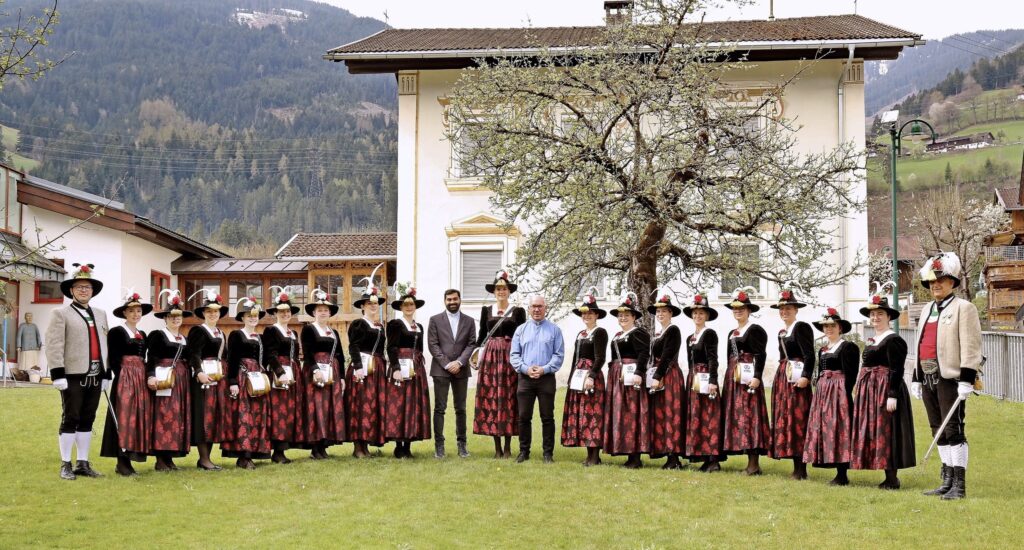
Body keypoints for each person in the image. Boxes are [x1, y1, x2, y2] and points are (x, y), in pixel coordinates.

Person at [914, 252, 982, 500]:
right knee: (938, 429)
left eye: (940, 280)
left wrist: (966, 379)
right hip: (928, 377)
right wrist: (916, 377)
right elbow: (920, 344)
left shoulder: (964, 308)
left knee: (953, 429)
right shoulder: (926, 310)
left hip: (950, 378)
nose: (936, 285)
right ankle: (946, 480)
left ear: (952, 282)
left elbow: (971, 347)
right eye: (932, 281)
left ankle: (959, 485)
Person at [46, 263, 109, 480]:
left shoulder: (100, 314)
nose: (83, 290)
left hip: (95, 375)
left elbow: (104, 346)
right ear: (71, 290)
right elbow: (54, 345)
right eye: (79, 287)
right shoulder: (60, 313)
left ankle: (83, 462)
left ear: (92, 291)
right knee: (71, 417)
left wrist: (106, 374)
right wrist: (57, 374)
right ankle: (66, 463)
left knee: (88, 418)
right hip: (72, 375)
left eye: (87, 287)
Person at [852, 291, 915, 489]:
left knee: (888, 430)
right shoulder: (873, 339)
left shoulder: (894, 340)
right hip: (870, 391)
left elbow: (897, 369)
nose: (875, 317)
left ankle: (892, 478)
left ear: (889, 317)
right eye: (872, 314)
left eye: (880, 314)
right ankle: (882, 470)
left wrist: (892, 395)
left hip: (885, 389)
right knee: (876, 429)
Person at [472, 270, 527, 459]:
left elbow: (522, 337)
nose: (501, 291)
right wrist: (475, 355)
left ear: (509, 291)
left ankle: (508, 447)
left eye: (504, 288)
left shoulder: (518, 311)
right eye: (498, 289)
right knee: (492, 398)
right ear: (494, 292)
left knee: (509, 398)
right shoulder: (486, 310)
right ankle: (497, 448)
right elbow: (481, 335)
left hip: (510, 358)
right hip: (490, 359)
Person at [803, 307, 859, 486]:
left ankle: (842, 474)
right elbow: (820, 372)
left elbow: (851, 375)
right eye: (826, 326)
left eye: (832, 326)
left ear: (840, 328)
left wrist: (843, 395)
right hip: (823, 393)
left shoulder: (848, 347)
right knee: (826, 429)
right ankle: (832, 465)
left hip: (838, 394)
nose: (829, 329)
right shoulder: (822, 350)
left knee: (840, 429)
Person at [100, 291, 153, 476]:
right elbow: (114, 358)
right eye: (131, 311)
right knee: (124, 417)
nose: (135, 314)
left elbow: (144, 357)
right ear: (124, 313)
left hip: (140, 378)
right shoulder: (117, 332)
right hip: (125, 379)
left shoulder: (142, 334)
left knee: (137, 417)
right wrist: (123, 376)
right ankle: (121, 462)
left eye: (138, 311)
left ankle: (131, 456)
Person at [721, 288, 771, 475]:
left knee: (751, 417)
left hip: (749, 378)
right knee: (738, 417)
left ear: (749, 310)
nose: (738, 311)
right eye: (735, 309)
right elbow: (729, 357)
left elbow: (761, 355)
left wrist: (757, 376)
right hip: (734, 378)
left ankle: (754, 464)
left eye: (742, 308)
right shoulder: (732, 332)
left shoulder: (755, 330)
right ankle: (746, 458)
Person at [509, 294, 564, 463]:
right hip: (525, 378)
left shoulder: (554, 330)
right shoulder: (521, 330)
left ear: (545, 308)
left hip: (546, 378)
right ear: (529, 309)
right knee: (524, 417)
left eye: (540, 306)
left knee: (547, 417)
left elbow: (558, 355)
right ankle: (524, 451)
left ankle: (548, 453)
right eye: (534, 306)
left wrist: (544, 369)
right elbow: (514, 355)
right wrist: (526, 369)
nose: (537, 309)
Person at [768, 288, 815, 480]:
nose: (784, 312)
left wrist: (806, 376)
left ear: (796, 310)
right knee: (787, 419)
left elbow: (809, 355)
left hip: (797, 379)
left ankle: (801, 468)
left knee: (798, 419)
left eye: (788, 308)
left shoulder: (801, 327)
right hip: (784, 378)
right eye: (781, 309)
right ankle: (795, 465)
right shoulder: (782, 332)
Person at [602, 293, 650, 468]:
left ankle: (635, 456)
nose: (623, 318)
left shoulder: (639, 333)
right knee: (620, 414)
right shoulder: (617, 335)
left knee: (632, 413)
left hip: (631, 378)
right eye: (620, 315)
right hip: (617, 378)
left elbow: (644, 354)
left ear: (634, 317)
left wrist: (639, 372)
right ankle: (624, 450)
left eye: (626, 315)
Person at [426, 289, 476, 459]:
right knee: (440, 408)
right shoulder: (434, 320)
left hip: (461, 370)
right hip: (441, 370)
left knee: (461, 408)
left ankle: (462, 445)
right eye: (449, 299)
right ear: (444, 301)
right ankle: (439, 446)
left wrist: (460, 362)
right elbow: (433, 345)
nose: (452, 302)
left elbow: (471, 343)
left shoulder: (469, 321)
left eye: (455, 299)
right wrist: (447, 364)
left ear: (460, 300)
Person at [222, 297, 271, 469]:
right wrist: (233, 381)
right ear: (242, 317)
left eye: (255, 315)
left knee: (257, 415)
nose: (252, 318)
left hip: (257, 377)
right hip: (242, 378)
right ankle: (243, 455)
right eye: (249, 315)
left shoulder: (261, 337)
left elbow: (265, 359)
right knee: (244, 415)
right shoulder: (236, 335)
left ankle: (254, 451)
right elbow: (232, 359)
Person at [147, 290, 192, 471]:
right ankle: (160, 458)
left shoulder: (185, 338)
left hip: (181, 380)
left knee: (178, 416)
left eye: (178, 316)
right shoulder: (158, 335)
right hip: (164, 378)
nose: (175, 319)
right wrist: (151, 375)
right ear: (165, 318)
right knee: (164, 415)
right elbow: (151, 357)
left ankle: (170, 457)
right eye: (172, 316)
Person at [561, 292, 608, 467]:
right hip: (578, 376)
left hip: (590, 377)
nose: (586, 316)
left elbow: (600, 358)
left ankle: (595, 456)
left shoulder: (600, 332)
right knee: (582, 415)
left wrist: (592, 376)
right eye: (584, 313)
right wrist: (571, 379)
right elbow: (575, 358)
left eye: (590, 313)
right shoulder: (581, 334)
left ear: (596, 315)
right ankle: (589, 455)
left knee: (593, 415)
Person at [185, 289, 230, 471]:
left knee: (213, 417)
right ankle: (204, 459)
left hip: (217, 379)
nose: (213, 314)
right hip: (203, 379)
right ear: (203, 313)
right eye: (209, 311)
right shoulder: (198, 331)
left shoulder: (221, 333)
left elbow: (224, 356)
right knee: (203, 416)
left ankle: (207, 458)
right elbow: (194, 354)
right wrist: (198, 372)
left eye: (215, 311)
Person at [385, 284, 431, 458]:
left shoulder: (419, 326)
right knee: (399, 404)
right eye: (406, 305)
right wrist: (395, 368)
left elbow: (420, 349)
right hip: (400, 367)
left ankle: (408, 444)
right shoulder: (396, 324)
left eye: (411, 304)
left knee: (413, 404)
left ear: (415, 306)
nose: (409, 307)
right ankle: (398, 445)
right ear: (401, 307)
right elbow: (391, 347)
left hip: (415, 369)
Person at [300, 288, 346, 459]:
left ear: (330, 313)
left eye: (326, 310)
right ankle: (315, 447)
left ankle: (324, 445)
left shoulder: (334, 332)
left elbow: (340, 355)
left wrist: (342, 377)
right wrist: (315, 370)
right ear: (314, 312)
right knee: (316, 407)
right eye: (320, 310)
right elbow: (307, 352)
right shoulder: (309, 329)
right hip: (315, 372)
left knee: (328, 408)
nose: (323, 312)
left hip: (332, 372)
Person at [347, 278, 389, 458]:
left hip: (377, 369)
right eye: (369, 303)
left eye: (375, 303)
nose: (373, 306)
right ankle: (358, 446)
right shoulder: (358, 324)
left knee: (372, 406)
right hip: (361, 368)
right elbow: (353, 346)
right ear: (363, 306)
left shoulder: (380, 326)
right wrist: (358, 367)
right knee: (360, 405)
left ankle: (367, 445)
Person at [646, 292, 687, 470]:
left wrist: (658, 376)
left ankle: (674, 456)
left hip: (669, 375)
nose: (660, 314)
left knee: (672, 413)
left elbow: (667, 355)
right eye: (658, 311)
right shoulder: (658, 333)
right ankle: (667, 452)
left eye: (664, 311)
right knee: (661, 414)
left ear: (671, 313)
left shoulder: (673, 330)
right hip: (659, 374)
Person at [683, 292, 722, 472]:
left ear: (707, 316)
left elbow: (713, 359)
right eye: (695, 313)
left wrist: (713, 380)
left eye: (701, 313)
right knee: (697, 416)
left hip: (706, 378)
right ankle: (703, 456)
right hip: (694, 379)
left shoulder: (709, 334)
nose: (697, 316)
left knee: (709, 417)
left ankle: (713, 459)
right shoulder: (690, 337)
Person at [263, 288, 301, 464]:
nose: (285, 314)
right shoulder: (271, 330)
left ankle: (282, 450)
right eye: (282, 312)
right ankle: (277, 450)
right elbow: (270, 354)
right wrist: (280, 372)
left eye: (288, 311)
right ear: (275, 313)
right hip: (279, 373)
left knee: (289, 410)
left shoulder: (293, 333)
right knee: (279, 411)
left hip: (292, 372)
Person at [17, 312, 43, 377]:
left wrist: (39, 345)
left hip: (34, 348)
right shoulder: (22, 326)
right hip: (25, 347)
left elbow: (38, 336)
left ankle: (32, 375)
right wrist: (18, 346)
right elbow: (19, 336)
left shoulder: (34, 326)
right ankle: (24, 375)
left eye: (31, 316)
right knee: (24, 364)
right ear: (25, 317)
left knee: (33, 364)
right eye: (28, 316)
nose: (29, 318)